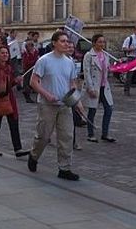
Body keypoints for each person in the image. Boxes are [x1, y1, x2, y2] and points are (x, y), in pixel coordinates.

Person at [27, 31, 81, 181]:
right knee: (43, 136)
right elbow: (34, 82)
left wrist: (76, 100)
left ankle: (64, 168)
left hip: (65, 105)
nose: (66, 44)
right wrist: (46, 94)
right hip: (47, 105)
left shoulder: (69, 62)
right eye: (63, 41)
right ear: (54, 43)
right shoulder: (44, 60)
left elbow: (72, 83)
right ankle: (34, 155)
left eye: (67, 41)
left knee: (67, 136)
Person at [0, 45, 30, 158]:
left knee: (14, 123)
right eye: (3, 53)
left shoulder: (9, 68)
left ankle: (18, 149)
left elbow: (9, 84)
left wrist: (16, 81)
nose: (5, 55)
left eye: (6, 53)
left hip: (9, 98)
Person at [83, 34, 115, 143]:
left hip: (104, 87)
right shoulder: (89, 55)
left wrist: (119, 65)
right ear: (94, 43)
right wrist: (90, 88)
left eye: (103, 42)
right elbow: (87, 73)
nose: (102, 44)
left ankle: (105, 133)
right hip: (94, 86)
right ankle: (90, 134)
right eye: (100, 42)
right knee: (92, 110)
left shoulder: (105, 55)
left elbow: (108, 69)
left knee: (109, 109)